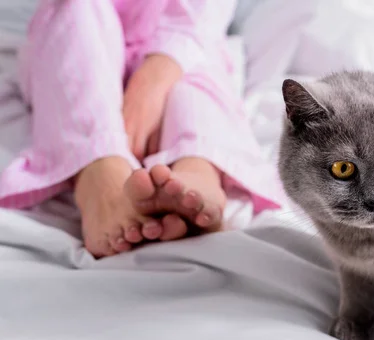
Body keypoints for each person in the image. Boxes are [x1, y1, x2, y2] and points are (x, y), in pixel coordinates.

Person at [0, 0, 284, 257]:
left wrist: (155, 76)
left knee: (198, 73)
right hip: (78, 27)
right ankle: (101, 176)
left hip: (181, 38)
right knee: (75, 23)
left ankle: (197, 169)